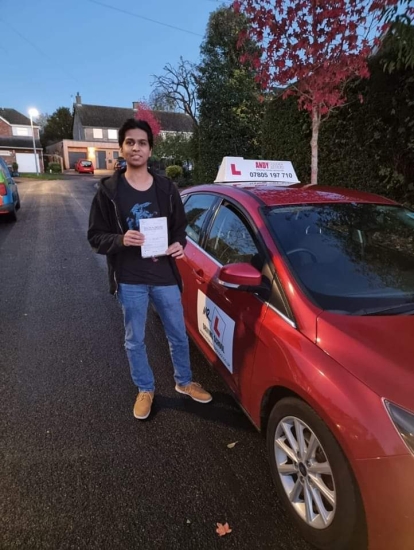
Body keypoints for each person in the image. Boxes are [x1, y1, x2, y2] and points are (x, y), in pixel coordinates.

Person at [87, 118, 212, 419]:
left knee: (179, 334)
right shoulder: (108, 191)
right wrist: (120, 239)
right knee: (135, 339)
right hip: (129, 279)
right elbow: (95, 237)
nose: (136, 147)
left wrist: (179, 243)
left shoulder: (167, 189)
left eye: (142, 142)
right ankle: (145, 388)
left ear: (150, 149)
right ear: (121, 148)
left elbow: (180, 228)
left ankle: (183, 382)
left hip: (164, 276)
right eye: (130, 142)